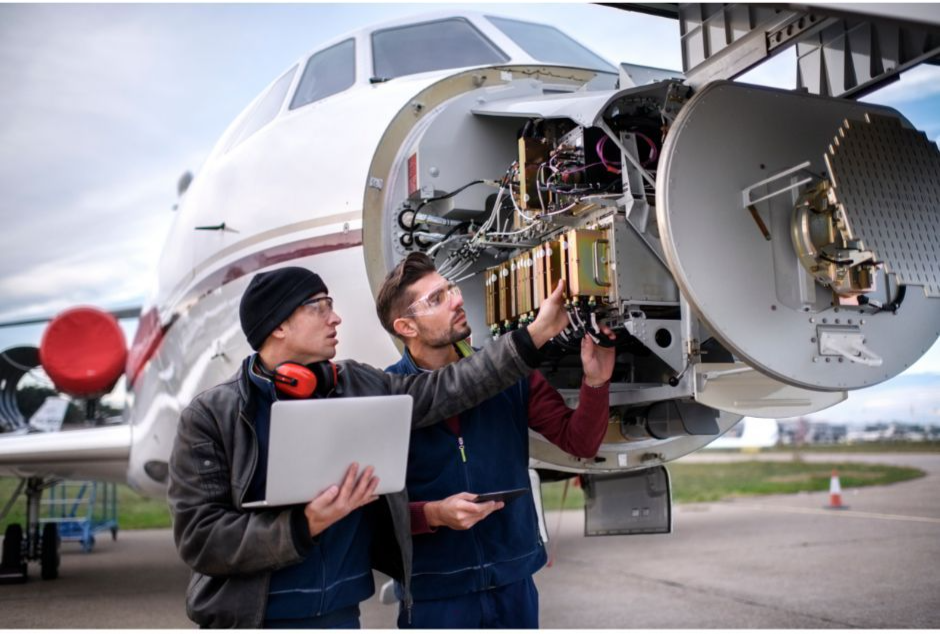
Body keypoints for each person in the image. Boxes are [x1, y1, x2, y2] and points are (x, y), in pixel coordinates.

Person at [167, 266, 570, 628]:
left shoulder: (356, 384)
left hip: (342, 614)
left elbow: (448, 387)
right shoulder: (211, 416)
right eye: (320, 306)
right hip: (254, 619)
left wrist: (533, 335)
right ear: (278, 326)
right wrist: (303, 524)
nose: (335, 316)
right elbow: (200, 540)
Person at [375, 252, 616, 629]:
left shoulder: (511, 374)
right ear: (406, 326)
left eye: (449, 289)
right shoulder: (385, 394)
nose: (456, 299)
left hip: (512, 583)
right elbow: (371, 512)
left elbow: (579, 442)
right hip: (435, 593)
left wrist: (597, 382)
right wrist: (433, 514)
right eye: (436, 299)